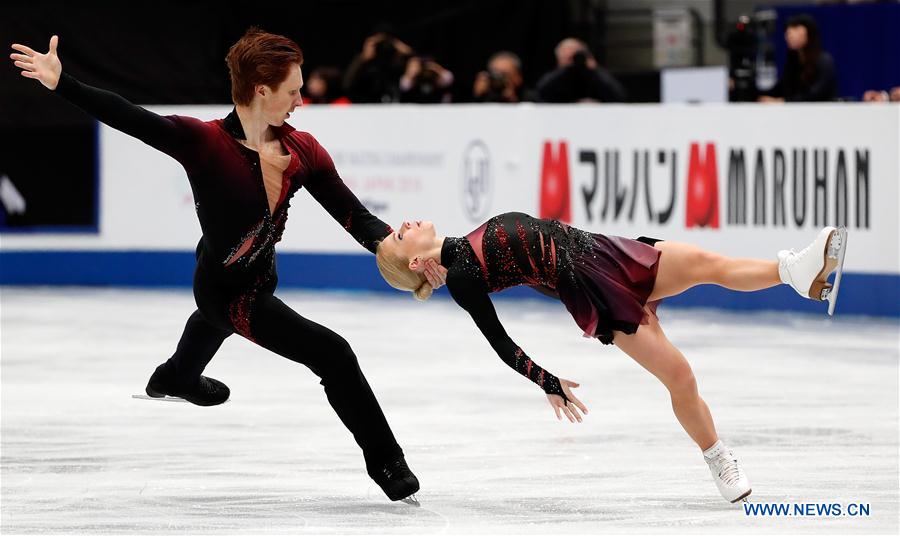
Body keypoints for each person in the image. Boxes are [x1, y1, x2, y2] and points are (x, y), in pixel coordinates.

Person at [9, 28, 448, 504]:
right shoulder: (204, 142)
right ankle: (389, 465)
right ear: (262, 90)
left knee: (212, 325)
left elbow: (356, 217)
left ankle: (176, 376)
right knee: (333, 353)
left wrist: (406, 252)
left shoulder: (304, 153)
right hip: (226, 293)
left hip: (259, 276)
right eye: (293, 90)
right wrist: (62, 82)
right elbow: (129, 117)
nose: (302, 99)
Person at [375, 212, 846, 503]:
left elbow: (536, 266)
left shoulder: (464, 246)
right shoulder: (460, 275)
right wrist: (546, 379)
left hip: (602, 250)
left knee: (710, 265)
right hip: (594, 287)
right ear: (415, 263)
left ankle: (797, 273)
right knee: (681, 376)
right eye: (400, 235)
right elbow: (498, 341)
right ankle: (718, 459)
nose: (408, 223)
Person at [759, 14, 837, 103]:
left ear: (808, 33)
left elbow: (817, 94)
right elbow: (780, 88)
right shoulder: (793, 62)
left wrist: (785, 101)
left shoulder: (824, 61)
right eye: (787, 31)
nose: (789, 34)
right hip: (794, 113)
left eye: (795, 28)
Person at [536, 38, 627, 103]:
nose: (574, 60)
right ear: (558, 59)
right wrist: (566, 70)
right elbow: (542, 92)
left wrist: (594, 70)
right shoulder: (555, 78)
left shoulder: (594, 74)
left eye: (576, 56)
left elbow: (618, 95)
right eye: (567, 57)